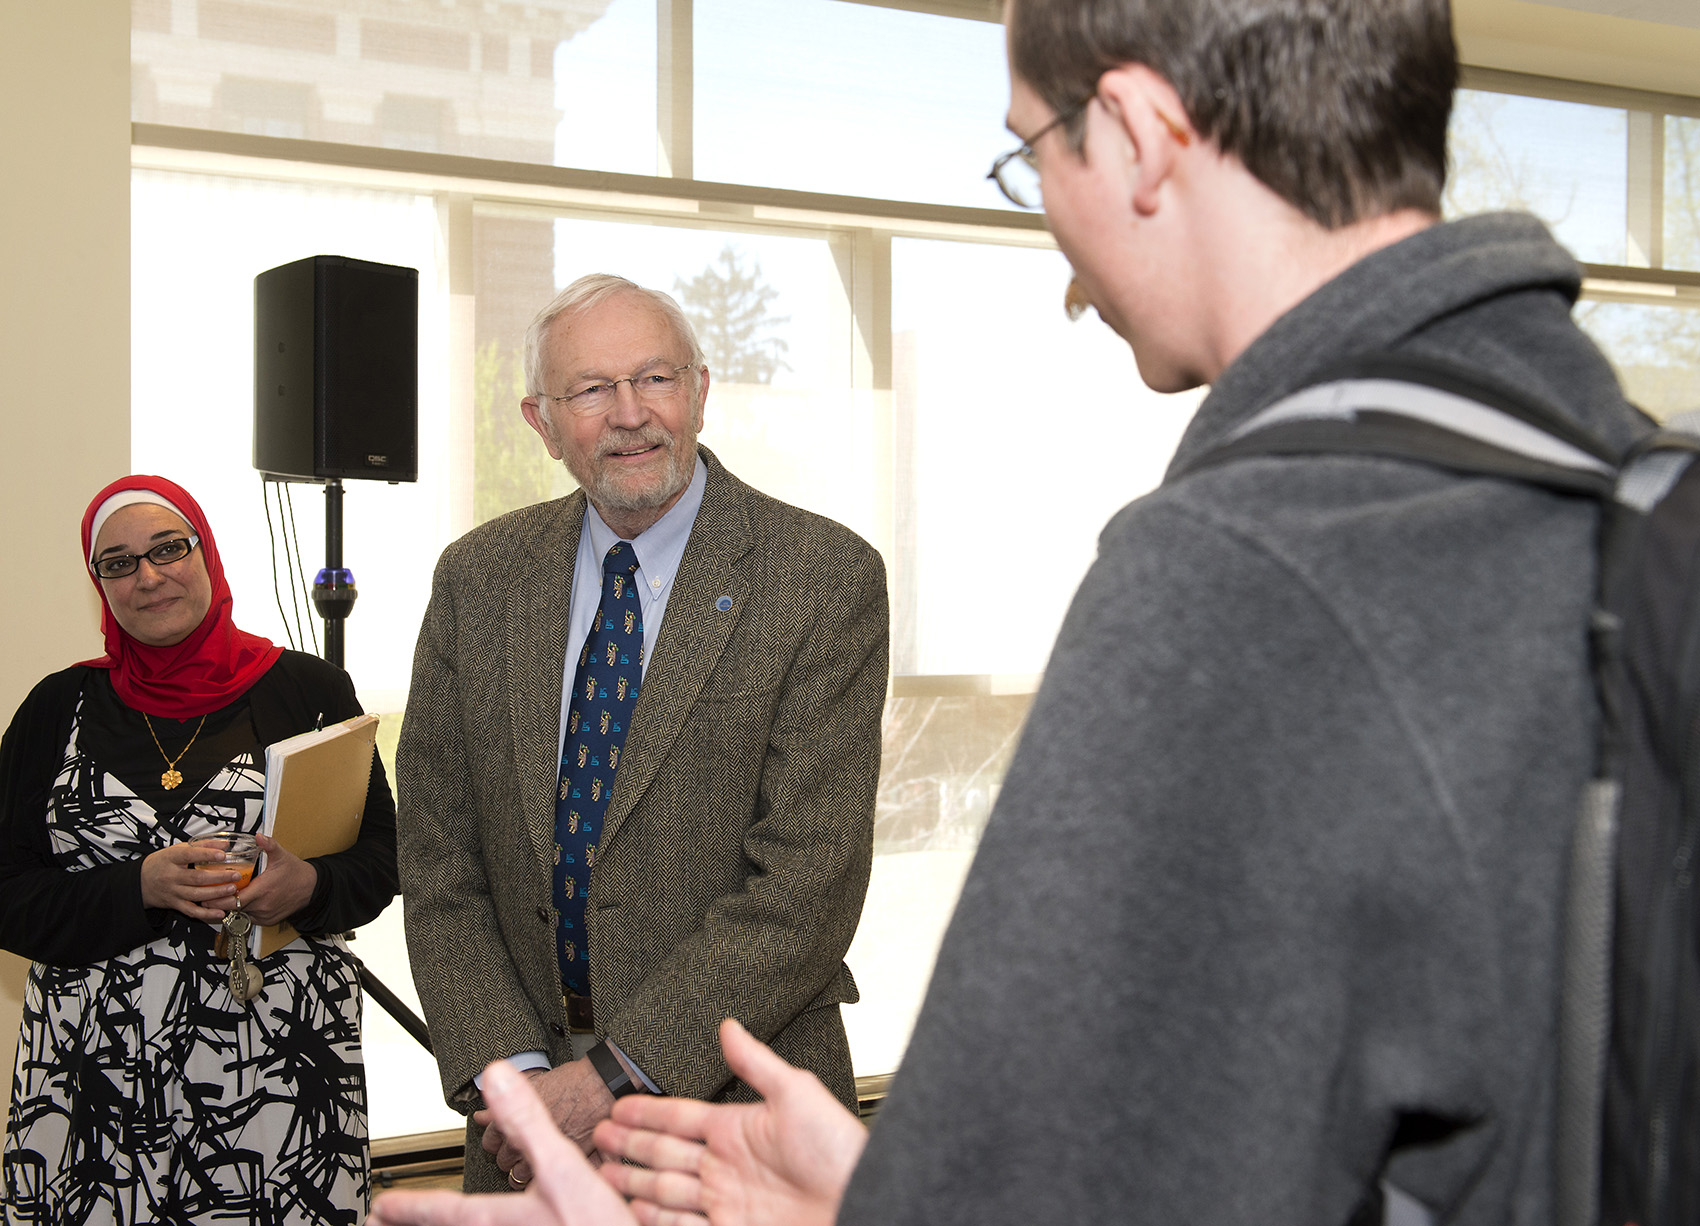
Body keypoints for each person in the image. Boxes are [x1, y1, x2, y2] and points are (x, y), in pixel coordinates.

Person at [373, 0, 1653, 1221]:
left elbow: (1054, 1164)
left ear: (1142, 134)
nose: (1066, 277)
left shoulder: (1222, 576)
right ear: (545, 419)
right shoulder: (1618, 489)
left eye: (1031, 152)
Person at [395, 273, 887, 1193]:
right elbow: (438, 860)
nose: (630, 415)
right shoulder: (479, 578)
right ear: (541, 422)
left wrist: (615, 1077)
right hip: (526, 1128)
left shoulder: (822, 578)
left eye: (655, 379)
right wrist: (516, 1082)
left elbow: (804, 887)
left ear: (699, 391)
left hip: (738, 1117)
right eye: (590, 390)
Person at [0, 475, 399, 1224]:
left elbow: (384, 856)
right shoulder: (58, 707)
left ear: (205, 553)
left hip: (277, 1076)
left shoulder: (305, 690)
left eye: (167, 549)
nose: (147, 576)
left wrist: (306, 885)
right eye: (117, 563)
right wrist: (137, 888)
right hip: (94, 1078)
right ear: (100, 584)